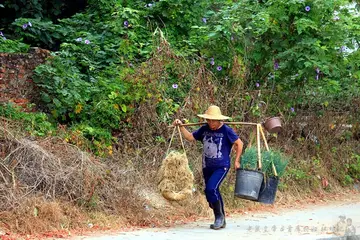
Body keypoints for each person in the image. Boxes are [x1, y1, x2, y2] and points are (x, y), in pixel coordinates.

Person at [173, 105, 243, 230]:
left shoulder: (226, 130)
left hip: (222, 166)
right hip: (207, 167)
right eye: (208, 120)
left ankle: (218, 217)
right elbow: (190, 137)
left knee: (211, 189)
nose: (211, 123)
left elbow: (239, 143)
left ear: (219, 120)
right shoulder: (204, 129)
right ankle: (222, 219)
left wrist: (237, 160)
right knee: (211, 191)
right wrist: (181, 126)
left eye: (213, 120)